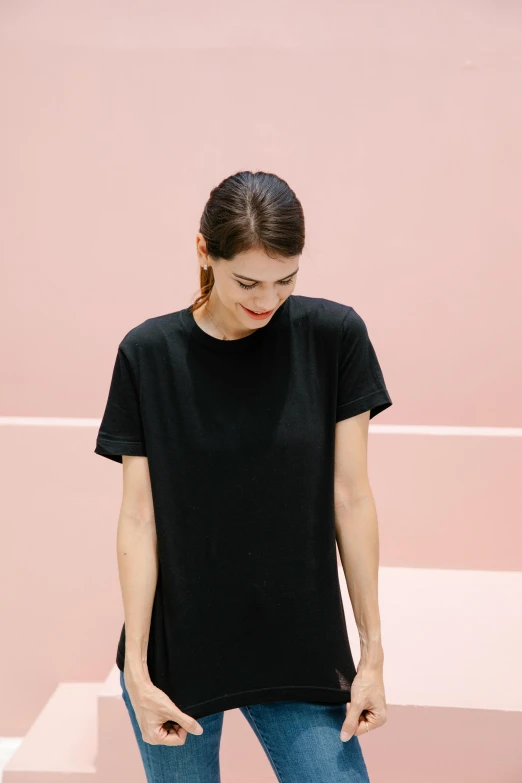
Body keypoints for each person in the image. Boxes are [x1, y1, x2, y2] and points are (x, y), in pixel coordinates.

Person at [94, 170, 392, 782]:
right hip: (179, 655)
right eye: (247, 281)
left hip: (299, 647)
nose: (267, 300)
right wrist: (138, 672)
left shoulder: (334, 338)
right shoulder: (148, 355)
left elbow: (352, 499)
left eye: (286, 280)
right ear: (204, 251)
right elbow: (139, 518)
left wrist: (372, 654)